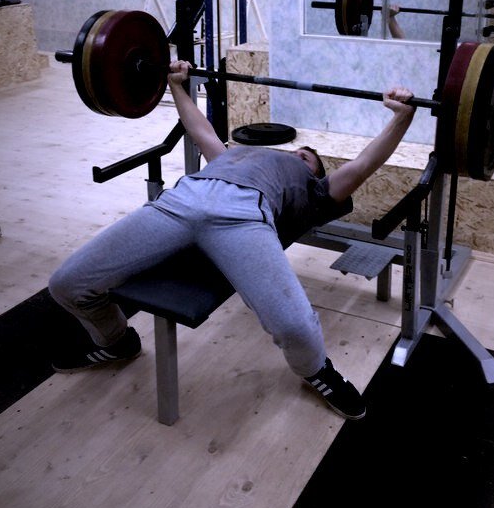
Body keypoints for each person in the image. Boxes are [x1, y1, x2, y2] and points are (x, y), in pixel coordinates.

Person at [49, 61, 415, 420]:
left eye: (308, 158)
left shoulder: (313, 190)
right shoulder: (232, 156)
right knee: (67, 284)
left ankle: (317, 370)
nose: (298, 154)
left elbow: (363, 165)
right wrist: (176, 85)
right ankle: (117, 343)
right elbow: (200, 129)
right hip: (180, 201)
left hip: (242, 218)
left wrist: (402, 117)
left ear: (315, 175)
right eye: (297, 151)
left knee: (295, 326)